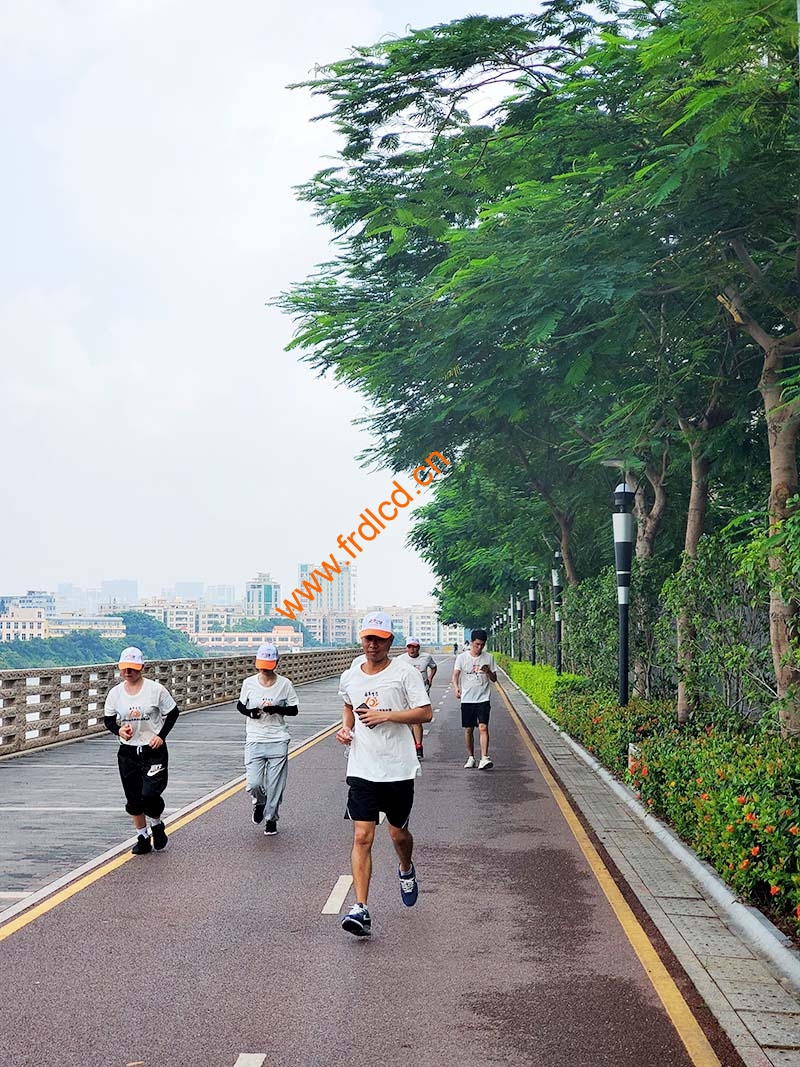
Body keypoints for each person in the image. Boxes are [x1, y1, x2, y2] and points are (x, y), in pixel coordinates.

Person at [336, 611, 432, 937]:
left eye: (379, 639)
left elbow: (425, 712)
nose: (373, 645)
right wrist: (346, 729)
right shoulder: (351, 675)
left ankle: (405, 867)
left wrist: (386, 716)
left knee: (397, 834)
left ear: (390, 641)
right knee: (362, 836)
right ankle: (360, 908)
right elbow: (348, 705)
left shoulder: (405, 673)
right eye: (368, 638)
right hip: (362, 767)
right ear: (361, 639)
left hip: (397, 767)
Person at [103, 646, 180, 855]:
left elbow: (173, 713)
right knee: (134, 798)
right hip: (128, 752)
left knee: (150, 794)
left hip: (153, 750)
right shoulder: (115, 693)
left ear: (142, 668)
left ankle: (156, 824)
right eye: (124, 668)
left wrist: (161, 736)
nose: (128, 672)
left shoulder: (156, 690)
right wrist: (119, 730)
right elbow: (108, 720)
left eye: (133, 668)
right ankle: (143, 837)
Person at [237, 643, 299, 836]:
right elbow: (240, 706)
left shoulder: (285, 684)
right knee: (254, 783)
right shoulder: (249, 683)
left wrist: (277, 709)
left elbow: (294, 710)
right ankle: (260, 802)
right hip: (255, 738)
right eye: (262, 665)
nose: (265, 669)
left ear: (277, 662)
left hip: (278, 738)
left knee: (275, 785)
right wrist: (250, 712)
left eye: (269, 665)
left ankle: (271, 819)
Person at [452, 629, 498, 770]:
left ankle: (484, 757)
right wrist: (456, 687)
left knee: (483, 727)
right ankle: (471, 757)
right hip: (467, 699)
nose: (479, 647)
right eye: (477, 644)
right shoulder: (462, 658)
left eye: (482, 645)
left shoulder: (489, 658)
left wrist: (488, 671)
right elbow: (455, 675)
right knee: (468, 729)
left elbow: (494, 679)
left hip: (483, 698)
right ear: (471, 642)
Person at [397, 637, 437, 760]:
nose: (412, 650)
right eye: (409, 647)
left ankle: (418, 746)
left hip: (421, 691)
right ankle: (409, 745)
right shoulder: (400, 660)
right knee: (406, 720)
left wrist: (430, 678)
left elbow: (434, 667)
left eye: (414, 647)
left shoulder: (426, 657)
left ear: (418, 647)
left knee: (416, 719)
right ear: (406, 648)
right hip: (406, 692)